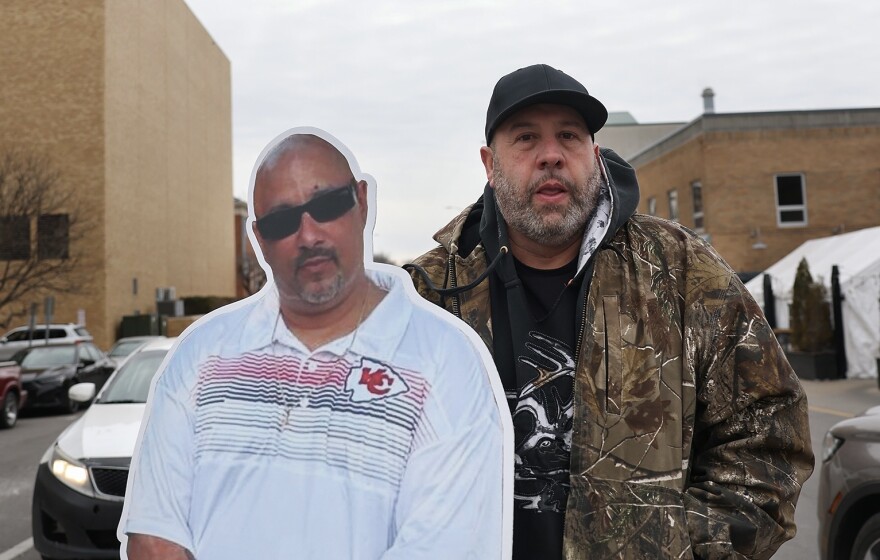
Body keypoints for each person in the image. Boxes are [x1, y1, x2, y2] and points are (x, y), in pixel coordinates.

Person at [407, 64, 814, 559]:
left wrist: (692, 549)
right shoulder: (428, 296)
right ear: (490, 164)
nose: (551, 155)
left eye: (569, 137)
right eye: (526, 138)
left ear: (594, 157)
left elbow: (770, 427)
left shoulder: (682, 272)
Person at [120, 131, 508, 560]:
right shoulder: (201, 356)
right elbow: (155, 540)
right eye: (282, 221)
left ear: (361, 202)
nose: (308, 235)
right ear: (260, 239)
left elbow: (446, 547)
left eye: (326, 206)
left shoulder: (446, 363)